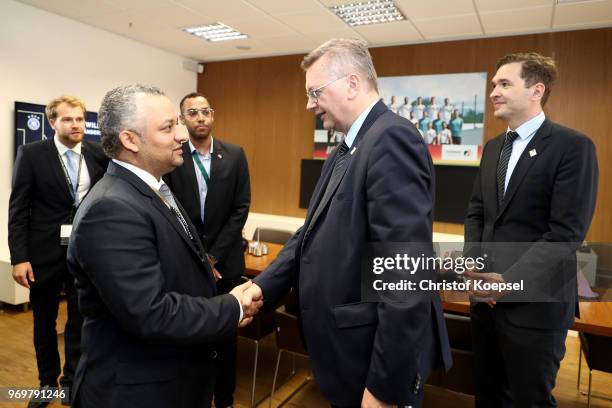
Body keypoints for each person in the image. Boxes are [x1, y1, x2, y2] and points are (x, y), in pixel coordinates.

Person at [244, 38, 451, 408]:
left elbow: (404, 270)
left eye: (315, 92)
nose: (309, 104)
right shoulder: (344, 149)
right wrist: (262, 287)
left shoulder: (391, 139)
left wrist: (386, 388)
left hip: (373, 357)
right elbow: (308, 236)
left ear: (352, 83)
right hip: (345, 351)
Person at [66, 85, 260, 408]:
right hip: (137, 392)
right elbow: (150, 313)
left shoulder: (154, 188)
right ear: (130, 140)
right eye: (169, 127)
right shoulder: (111, 208)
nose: (181, 134)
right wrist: (231, 306)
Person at [464, 52, 598, 407]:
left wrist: (506, 283)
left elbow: (565, 233)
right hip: (485, 306)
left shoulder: (573, 147)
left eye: (504, 84)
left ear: (537, 90)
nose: (494, 91)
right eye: (494, 84)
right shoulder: (493, 149)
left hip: (534, 308)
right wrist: (473, 267)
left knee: (529, 400)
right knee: (488, 396)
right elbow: (477, 212)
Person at [8, 95, 108, 408]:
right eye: (68, 119)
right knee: (44, 322)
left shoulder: (98, 154)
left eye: (80, 119)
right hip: (43, 255)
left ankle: (72, 382)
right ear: (53, 122)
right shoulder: (32, 154)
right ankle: (47, 383)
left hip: (85, 253)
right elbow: (18, 209)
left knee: (80, 320)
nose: (76, 125)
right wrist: (19, 257)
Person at [164, 92, 251, 408]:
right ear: (182, 119)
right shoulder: (173, 155)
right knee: (192, 332)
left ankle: (225, 398)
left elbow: (240, 208)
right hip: (187, 262)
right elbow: (170, 208)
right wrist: (200, 257)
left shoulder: (235, 154)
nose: (200, 118)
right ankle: (194, 394)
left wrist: (213, 256)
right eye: (192, 113)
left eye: (205, 112)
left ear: (213, 115)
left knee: (226, 335)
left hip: (225, 264)